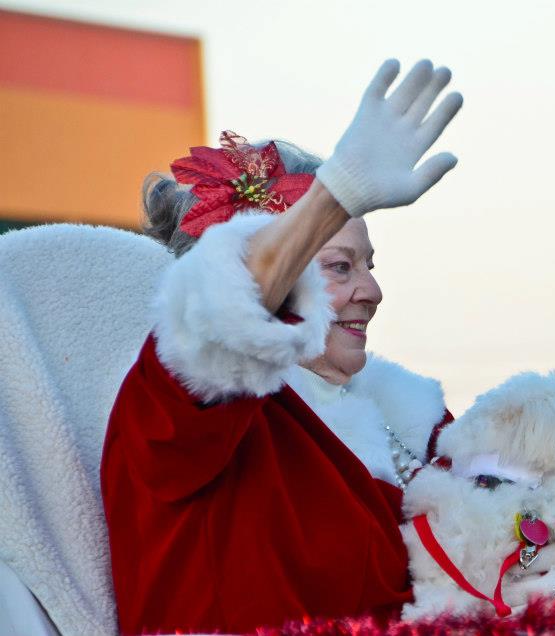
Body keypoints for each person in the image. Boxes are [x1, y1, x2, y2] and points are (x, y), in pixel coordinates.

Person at [100, 59, 468, 634]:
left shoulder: (411, 420)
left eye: (367, 265)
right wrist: (335, 194)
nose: (371, 291)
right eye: (339, 266)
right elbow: (225, 315)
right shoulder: (178, 410)